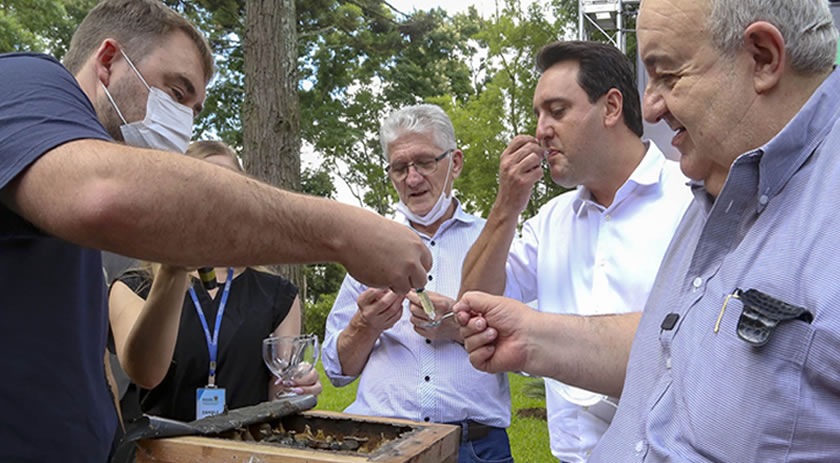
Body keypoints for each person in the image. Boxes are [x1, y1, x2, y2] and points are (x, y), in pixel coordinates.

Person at [0, 1, 430, 460]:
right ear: (107, 62)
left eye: (194, 107)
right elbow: (100, 193)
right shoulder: (24, 80)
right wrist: (344, 232)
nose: (184, 120)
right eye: (176, 91)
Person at [456, 0, 840, 461]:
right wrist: (533, 338)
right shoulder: (718, 193)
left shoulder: (694, 192)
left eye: (667, 75)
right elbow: (679, 349)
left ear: (762, 57)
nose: (653, 107)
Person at [458, 40, 692, 462]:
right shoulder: (549, 220)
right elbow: (475, 300)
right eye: (538, 115)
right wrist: (506, 204)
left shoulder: (692, 201)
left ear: (611, 107)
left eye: (557, 110)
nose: (541, 129)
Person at [322, 104, 513, 463]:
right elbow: (336, 370)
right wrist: (365, 325)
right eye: (399, 167)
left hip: (474, 449)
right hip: (381, 445)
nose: (412, 179)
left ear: (454, 162)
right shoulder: (369, 247)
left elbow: (528, 351)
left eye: (425, 163)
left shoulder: (494, 241)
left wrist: (457, 328)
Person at [109, 140, 321, 421]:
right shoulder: (134, 286)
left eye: (230, 184)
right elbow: (144, 373)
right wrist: (174, 268)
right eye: (204, 183)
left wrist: (297, 385)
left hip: (244, 451)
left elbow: (278, 392)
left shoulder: (278, 295)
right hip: (157, 452)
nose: (217, 195)